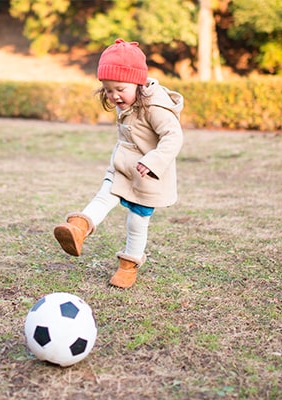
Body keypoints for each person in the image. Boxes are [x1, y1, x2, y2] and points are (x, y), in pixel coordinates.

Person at [54, 38, 184, 289]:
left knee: (137, 220)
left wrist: (154, 160)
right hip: (123, 166)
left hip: (148, 174)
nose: (114, 96)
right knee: (104, 196)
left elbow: (173, 136)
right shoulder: (125, 99)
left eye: (119, 89)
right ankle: (77, 230)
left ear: (138, 82)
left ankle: (128, 266)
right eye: (108, 89)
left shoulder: (155, 107)